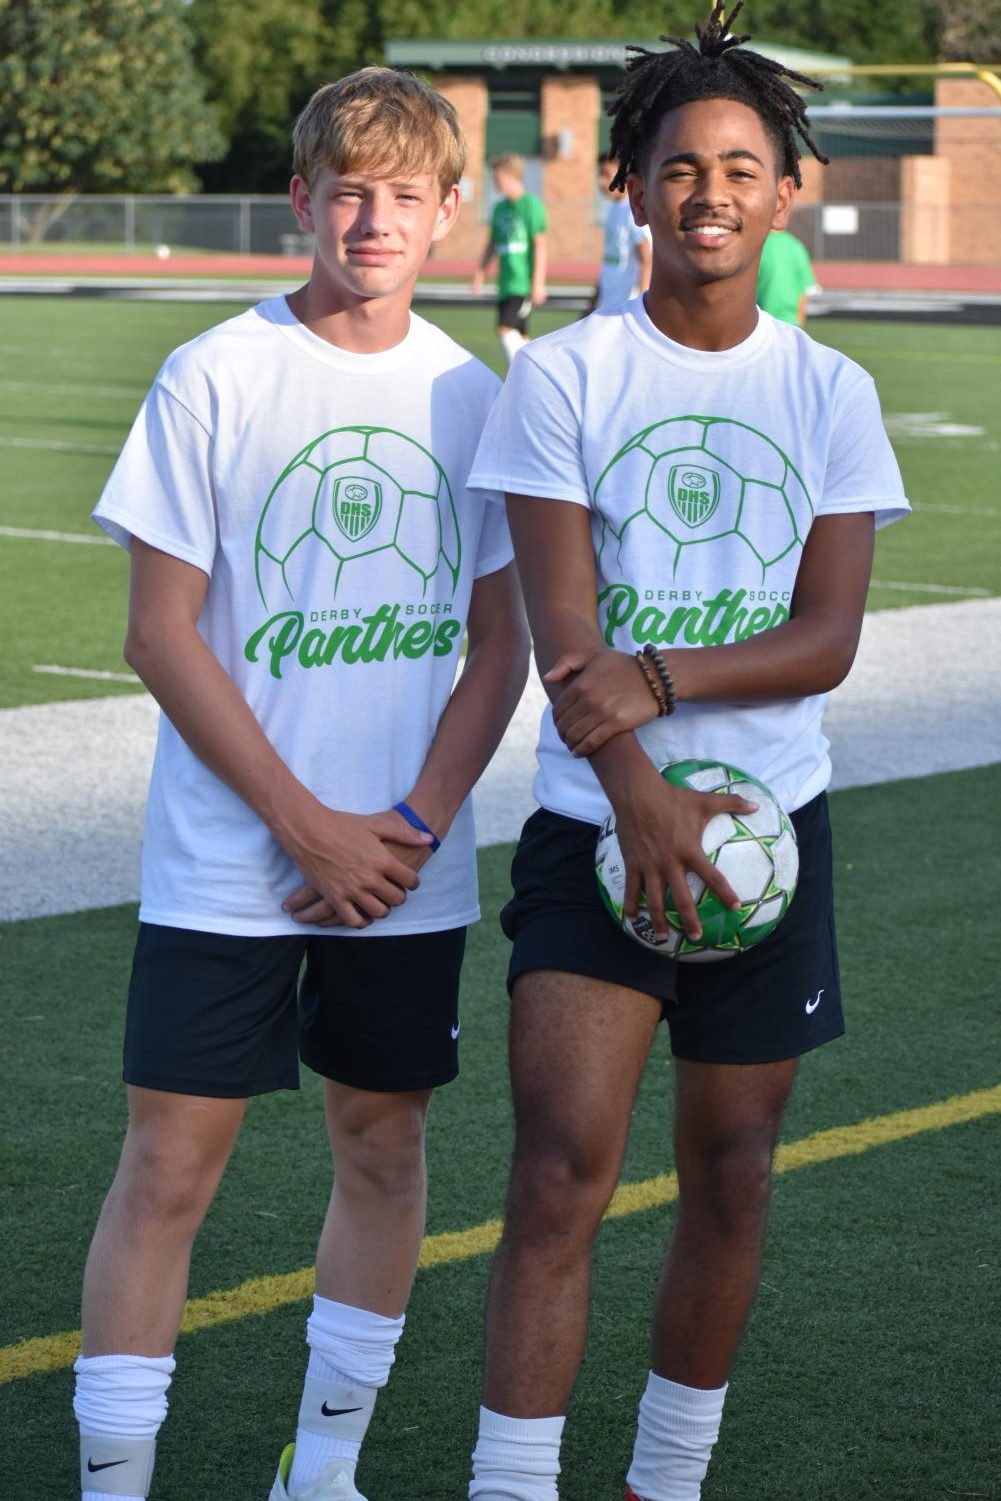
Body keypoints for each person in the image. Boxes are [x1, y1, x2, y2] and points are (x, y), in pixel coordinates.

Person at [465, 5, 909, 1499]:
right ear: (633, 189)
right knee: (558, 1167)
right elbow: (563, 656)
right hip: (594, 831)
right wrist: (642, 794)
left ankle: (668, 1479)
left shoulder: (829, 393)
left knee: (729, 1169)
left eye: (739, 166)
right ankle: (512, 1486)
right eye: (677, 166)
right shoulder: (566, 380)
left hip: (773, 829)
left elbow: (825, 637)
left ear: (786, 193)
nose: (708, 192)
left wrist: (657, 679)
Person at [73, 67, 528, 1501]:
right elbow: (158, 632)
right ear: (300, 202)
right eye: (348, 190)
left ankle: (320, 1471)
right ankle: (113, 1481)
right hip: (231, 857)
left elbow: (499, 648)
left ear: (451, 214)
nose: (373, 219)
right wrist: (304, 825)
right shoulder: (216, 372)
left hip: (402, 864)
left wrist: (402, 828)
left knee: (383, 1151)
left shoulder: (474, 395)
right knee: (167, 1169)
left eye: (405, 194)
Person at [470, 153, 548, 363]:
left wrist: (538, 283)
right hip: (505, 284)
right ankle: (534, 375)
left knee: (505, 330)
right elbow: (492, 243)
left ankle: (521, 377)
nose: (494, 182)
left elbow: (540, 245)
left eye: (497, 177)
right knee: (521, 338)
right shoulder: (498, 208)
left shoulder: (531, 205)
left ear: (511, 176)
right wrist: (479, 273)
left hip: (522, 285)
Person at [588, 154, 652, 312]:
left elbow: (647, 261)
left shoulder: (633, 212)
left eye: (606, 175)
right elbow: (609, 260)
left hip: (625, 306)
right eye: (600, 175)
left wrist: (640, 306)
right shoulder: (612, 208)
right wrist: (593, 302)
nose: (601, 181)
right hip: (607, 302)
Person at [756, 225, 818, 326]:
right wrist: (800, 323)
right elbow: (803, 293)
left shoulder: (756, 245)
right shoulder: (796, 246)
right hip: (791, 322)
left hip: (762, 323)